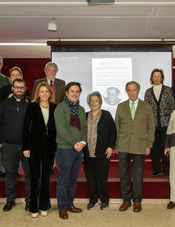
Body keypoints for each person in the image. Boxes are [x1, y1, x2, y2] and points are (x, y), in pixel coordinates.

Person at [115, 81, 155, 213]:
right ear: (127, 91)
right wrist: (116, 144)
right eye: (129, 90)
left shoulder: (146, 106)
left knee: (138, 174)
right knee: (124, 174)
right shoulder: (120, 106)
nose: (132, 92)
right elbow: (116, 127)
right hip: (123, 144)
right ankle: (126, 201)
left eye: (134, 90)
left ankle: (137, 201)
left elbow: (151, 127)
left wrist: (149, 144)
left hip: (140, 144)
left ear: (138, 91)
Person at [0, 79, 32, 212]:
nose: (19, 90)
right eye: (17, 87)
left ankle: (29, 201)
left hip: (27, 147)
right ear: (12, 88)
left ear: (25, 89)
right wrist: (0, 142)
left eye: (22, 87)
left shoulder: (32, 103)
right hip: (8, 146)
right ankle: (10, 200)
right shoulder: (4, 104)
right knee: (10, 174)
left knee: (29, 174)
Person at [22, 82, 57, 218]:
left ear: (50, 93)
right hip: (33, 148)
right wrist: (25, 147)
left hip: (49, 148)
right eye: (41, 91)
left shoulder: (54, 108)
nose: (44, 94)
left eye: (46, 91)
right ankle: (34, 207)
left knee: (46, 177)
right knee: (35, 176)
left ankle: (44, 205)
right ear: (38, 93)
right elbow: (25, 128)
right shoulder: (32, 107)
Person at [54, 82, 87, 220]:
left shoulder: (80, 109)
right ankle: (62, 208)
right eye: (72, 91)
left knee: (73, 179)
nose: (75, 93)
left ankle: (69, 204)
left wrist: (83, 142)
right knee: (63, 180)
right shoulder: (60, 108)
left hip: (78, 149)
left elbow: (84, 127)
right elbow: (61, 130)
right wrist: (75, 143)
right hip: (65, 149)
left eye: (77, 91)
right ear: (66, 93)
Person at [83, 91, 117, 210]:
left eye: (96, 101)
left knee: (102, 177)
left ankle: (104, 200)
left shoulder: (106, 115)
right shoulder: (85, 115)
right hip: (88, 153)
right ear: (88, 103)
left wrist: (110, 146)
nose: (93, 103)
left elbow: (113, 132)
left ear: (100, 102)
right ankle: (93, 200)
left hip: (103, 153)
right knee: (90, 178)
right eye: (91, 101)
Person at [144, 69, 175, 177]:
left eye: (159, 76)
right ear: (152, 78)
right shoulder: (148, 92)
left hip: (166, 124)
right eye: (154, 76)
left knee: (165, 148)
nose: (156, 78)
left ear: (162, 78)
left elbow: (172, 106)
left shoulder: (168, 90)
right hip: (153, 126)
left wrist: (172, 121)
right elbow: (146, 109)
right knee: (154, 149)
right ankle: (156, 169)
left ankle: (166, 170)